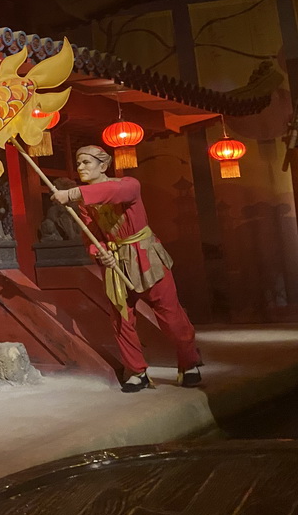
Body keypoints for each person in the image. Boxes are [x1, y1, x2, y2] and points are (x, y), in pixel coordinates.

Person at [50, 145, 201, 392]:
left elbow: (113, 193)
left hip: (146, 255)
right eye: (78, 164)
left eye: (87, 163)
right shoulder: (84, 203)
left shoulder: (128, 185)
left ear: (103, 165)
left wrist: (72, 193)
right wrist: (101, 253)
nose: (81, 168)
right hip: (117, 259)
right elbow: (92, 236)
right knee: (121, 317)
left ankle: (189, 362)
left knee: (170, 313)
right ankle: (136, 370)